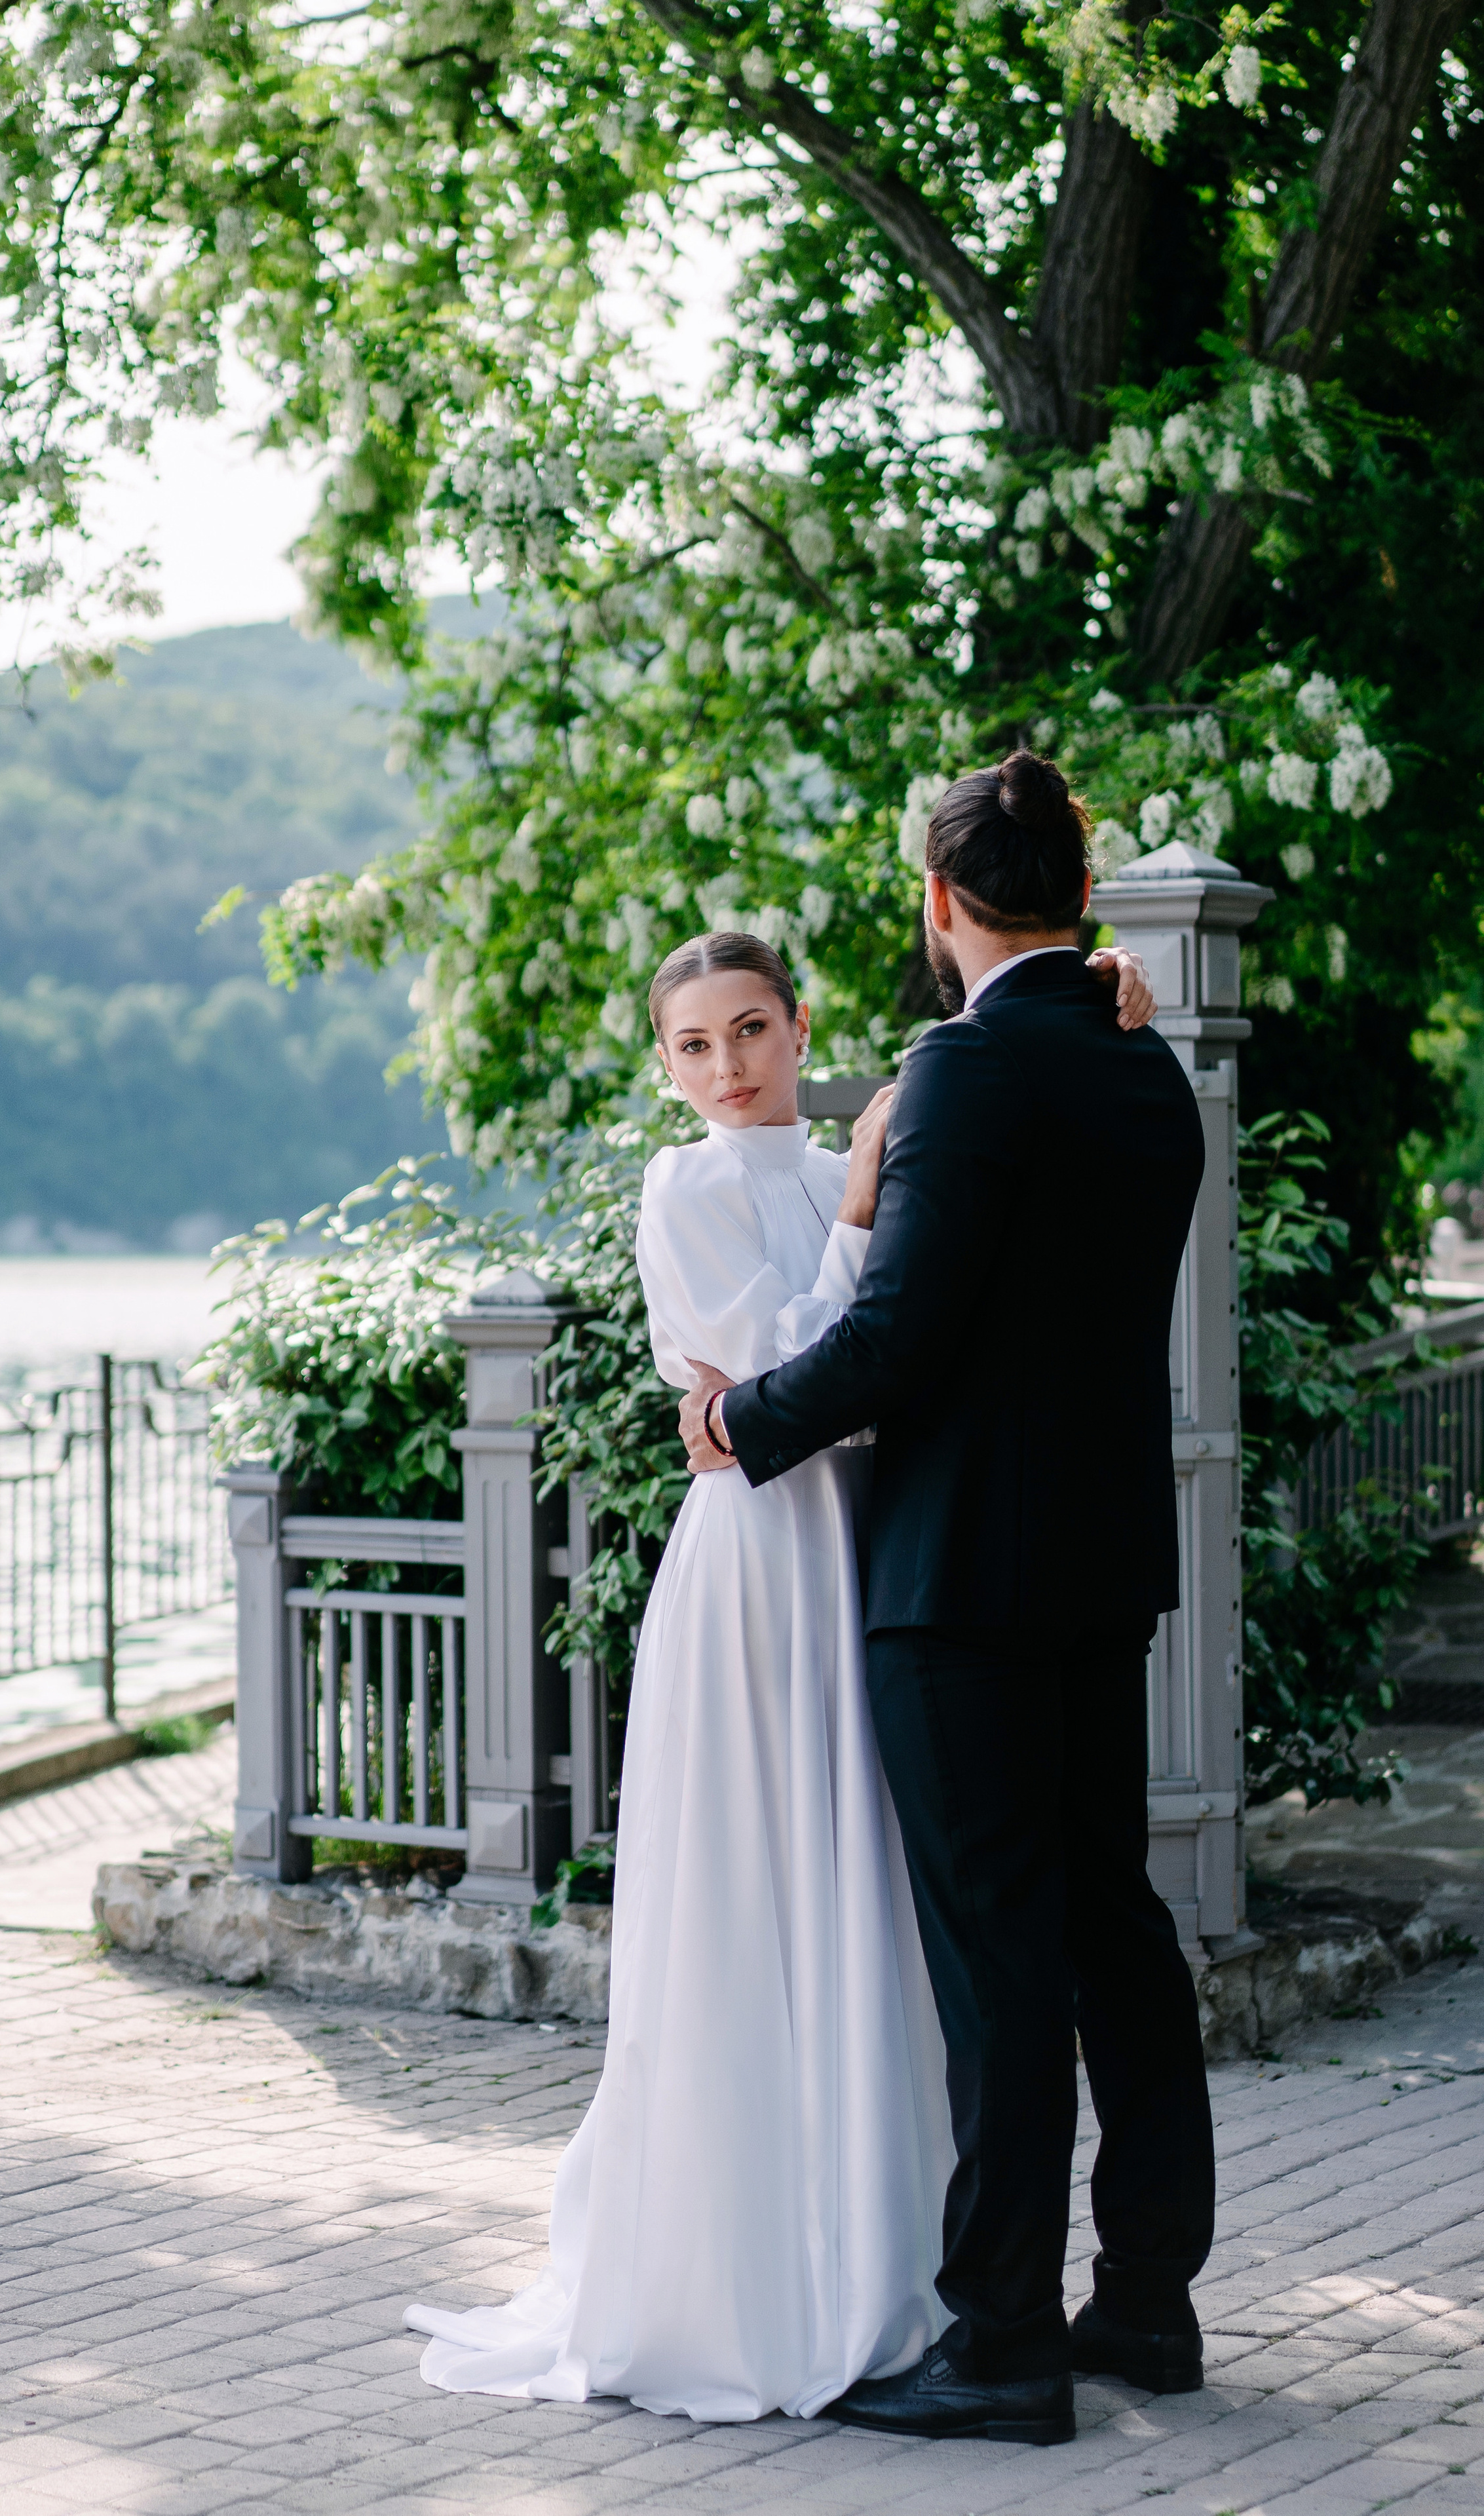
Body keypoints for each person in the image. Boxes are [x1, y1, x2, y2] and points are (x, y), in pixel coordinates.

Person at [405, 885, 1158, 2428]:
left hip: (875, 1542)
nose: (728, 1063)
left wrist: (1101, 987)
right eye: (695, 1044)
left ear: (800, 1028)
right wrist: (863, 1225)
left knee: (881, 1899)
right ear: (665, 1069)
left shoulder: (855, 1152)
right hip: (758, 1566)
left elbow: (886, 1348)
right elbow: (792, 1363)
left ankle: (889, 2266)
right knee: (763, 1885)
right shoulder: (683, 1191)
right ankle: (755, 2271)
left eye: (750, 1029)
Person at [681, 751, 1215, 2447]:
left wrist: (740, 1420)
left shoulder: (964, 1072)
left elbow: (899, 1336)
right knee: (1117, 1933)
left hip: (959, 1582)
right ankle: (1143, 2302)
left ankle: (996, 2342)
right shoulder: (1153, 1072)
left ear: (939, 902)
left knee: (999, 1966)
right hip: (1100, 1565)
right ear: (1083, 889)